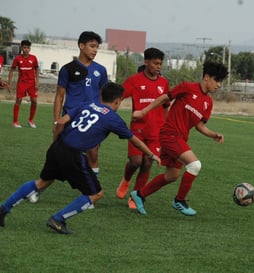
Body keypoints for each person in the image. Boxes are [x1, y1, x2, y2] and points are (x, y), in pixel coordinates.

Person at [0, 82, 161, 235]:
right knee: (96, 194)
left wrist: (55, 143)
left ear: (101, 96)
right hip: (73, 155)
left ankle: (4, 208)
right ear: (118, 101)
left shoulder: (87, 104)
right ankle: (57, 220)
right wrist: (152, 154)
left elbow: (61, 121)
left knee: (42, 182)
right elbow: (135, 141)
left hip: (58, 146)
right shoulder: (113, 118)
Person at [129, 61, 228, 216]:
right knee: (195, 165)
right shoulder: (187, 87)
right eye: (217, 80)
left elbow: (200, 126)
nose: (219, 85)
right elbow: (163, 99)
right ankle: (179, 201)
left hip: (180, 138)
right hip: (169, 134)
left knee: (171, 176)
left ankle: (139, 195)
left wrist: (213, 134)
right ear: (207, 77)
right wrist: (143, 112)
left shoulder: (208, 102)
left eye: (221, 82)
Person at [116, 48, 170, 209]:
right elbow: (118, 98)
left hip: (156, 131)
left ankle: (136, 195)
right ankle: (126, 180)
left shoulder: (164, 83)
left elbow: (166, 105)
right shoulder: (134, 80)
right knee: (135, 161)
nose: (158, 66)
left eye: (160, 63)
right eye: (155, 63)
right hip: (138, 130)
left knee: (147, 163)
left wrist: (167, 126)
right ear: (146, 62)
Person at [53, 31, 108, 177]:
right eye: (92, 46)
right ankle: (42, 184)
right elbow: (59, 96)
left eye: (97, 47)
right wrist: (56, 120)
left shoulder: (101, 70)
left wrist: (103, 117)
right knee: (62, 155)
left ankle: (92, 189)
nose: (95, 50)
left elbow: (104, 97)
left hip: (92, 118)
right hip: (70, 117)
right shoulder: (67, 69)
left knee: (93, 152)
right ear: (81, 46)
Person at [7, 40, 39, 128]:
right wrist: (9, 84)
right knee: (18, 101)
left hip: (32, 83)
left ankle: (31, 120)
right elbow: (11, 71)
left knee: (34, 102)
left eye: (28, 48)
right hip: (22, 82)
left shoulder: (33, 58)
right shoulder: (18, 59)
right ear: (21, 48)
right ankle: (15, 122)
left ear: (30, 49)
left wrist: (37, 81)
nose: (26, 49)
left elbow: (37, 69)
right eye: (24, 47)